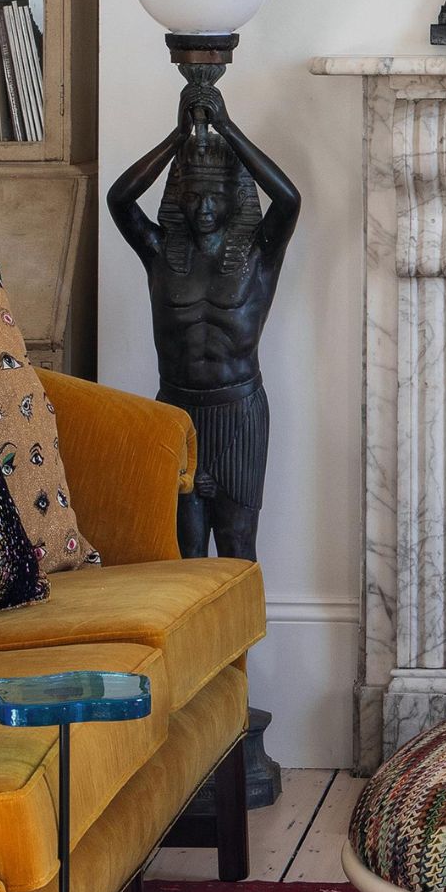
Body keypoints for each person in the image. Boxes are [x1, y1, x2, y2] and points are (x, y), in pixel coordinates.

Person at [106, 83, 301, 561]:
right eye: (193, 196)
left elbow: (289, 200)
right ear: (178, 198)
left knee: (236, 550)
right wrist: (177, 138)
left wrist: (228, 128)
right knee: (184, 554)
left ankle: (240, 640)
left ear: (235, 200)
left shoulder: (258, 255)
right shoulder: (160, 254)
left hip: (238, 414)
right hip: (176, 409)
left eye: (215, 196)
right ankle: (195, 640)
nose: (205, 207)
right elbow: (119, 200)